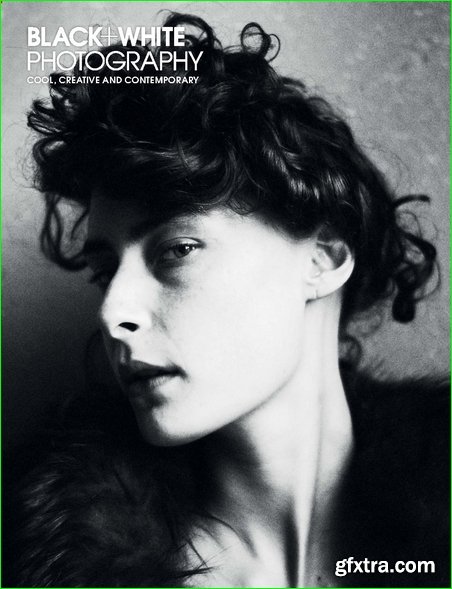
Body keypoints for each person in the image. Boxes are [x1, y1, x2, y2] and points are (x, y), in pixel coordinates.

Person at [9, 12, 449, 588]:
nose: (113, 313)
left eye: (178, 249)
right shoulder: (53, 561)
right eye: (105, 271)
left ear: (323, 259)